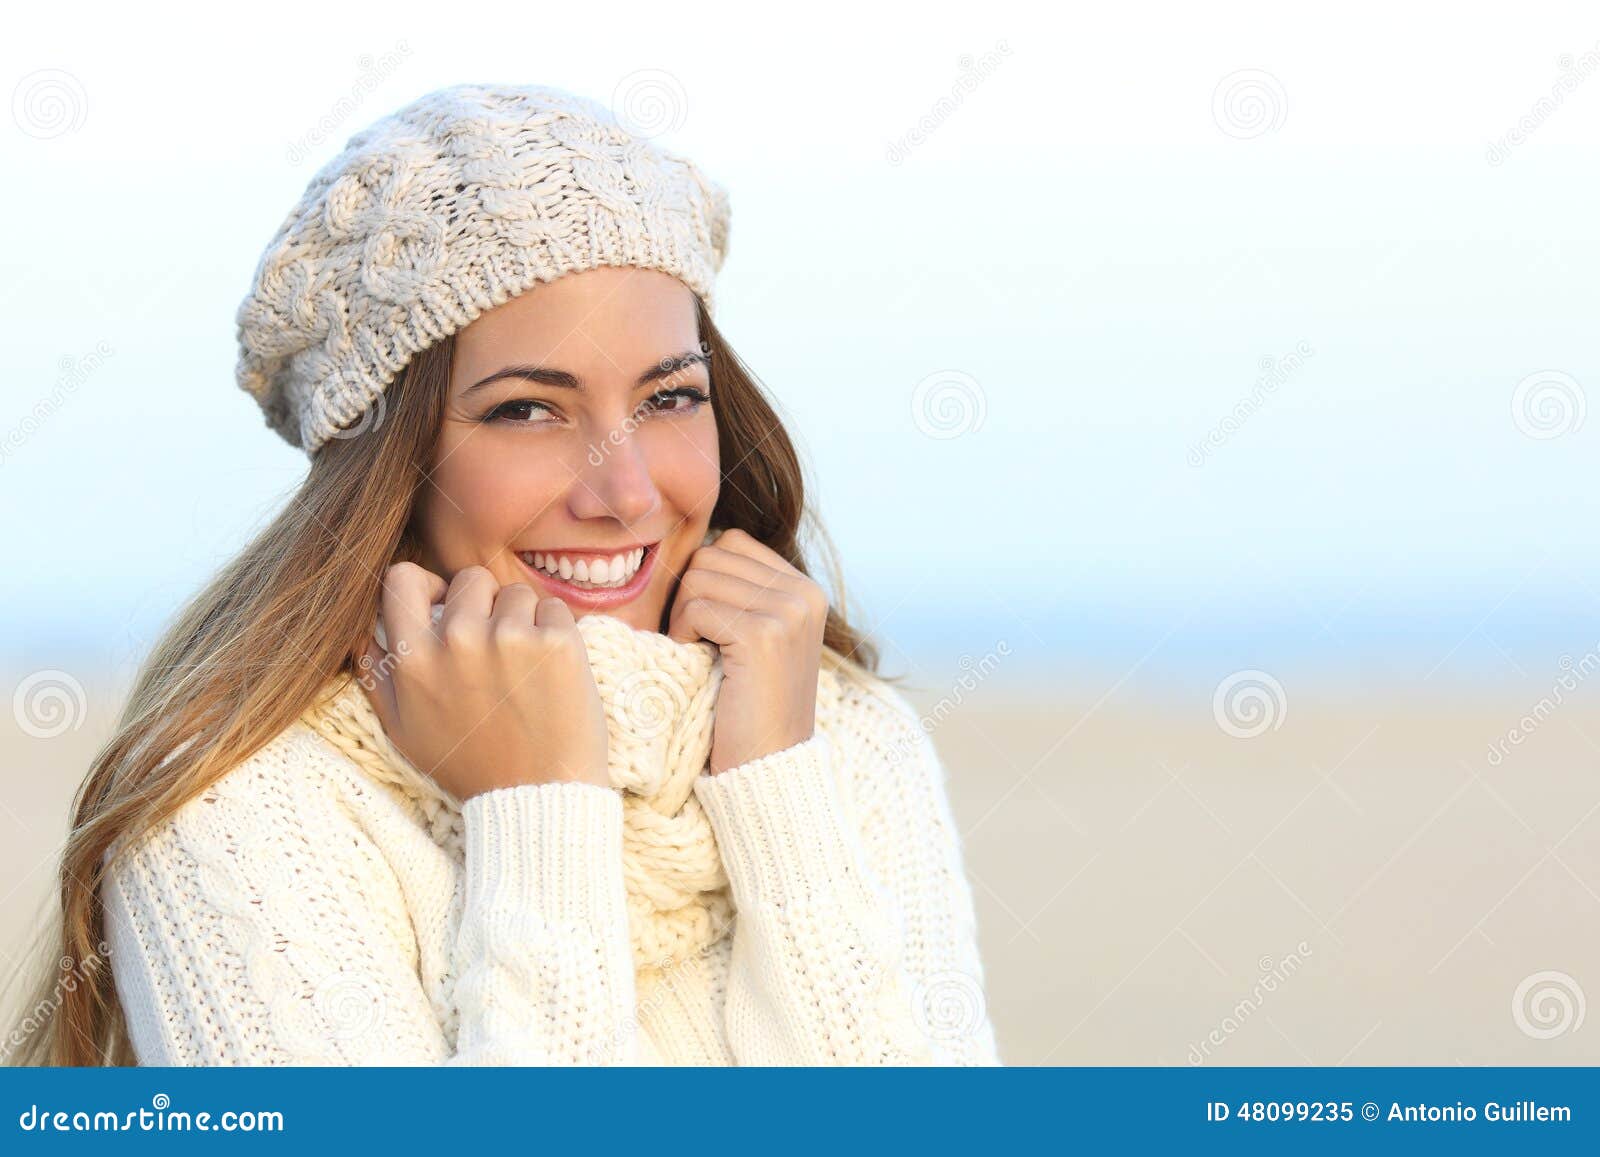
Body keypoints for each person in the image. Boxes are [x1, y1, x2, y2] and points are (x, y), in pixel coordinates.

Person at [8, 83, 1000, 1066]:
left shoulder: (833, 735)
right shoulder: (233, 812)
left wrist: (779, 793)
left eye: (669, 397)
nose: (624, 491)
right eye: (527, 409)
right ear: (385, 463)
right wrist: (538, 805)